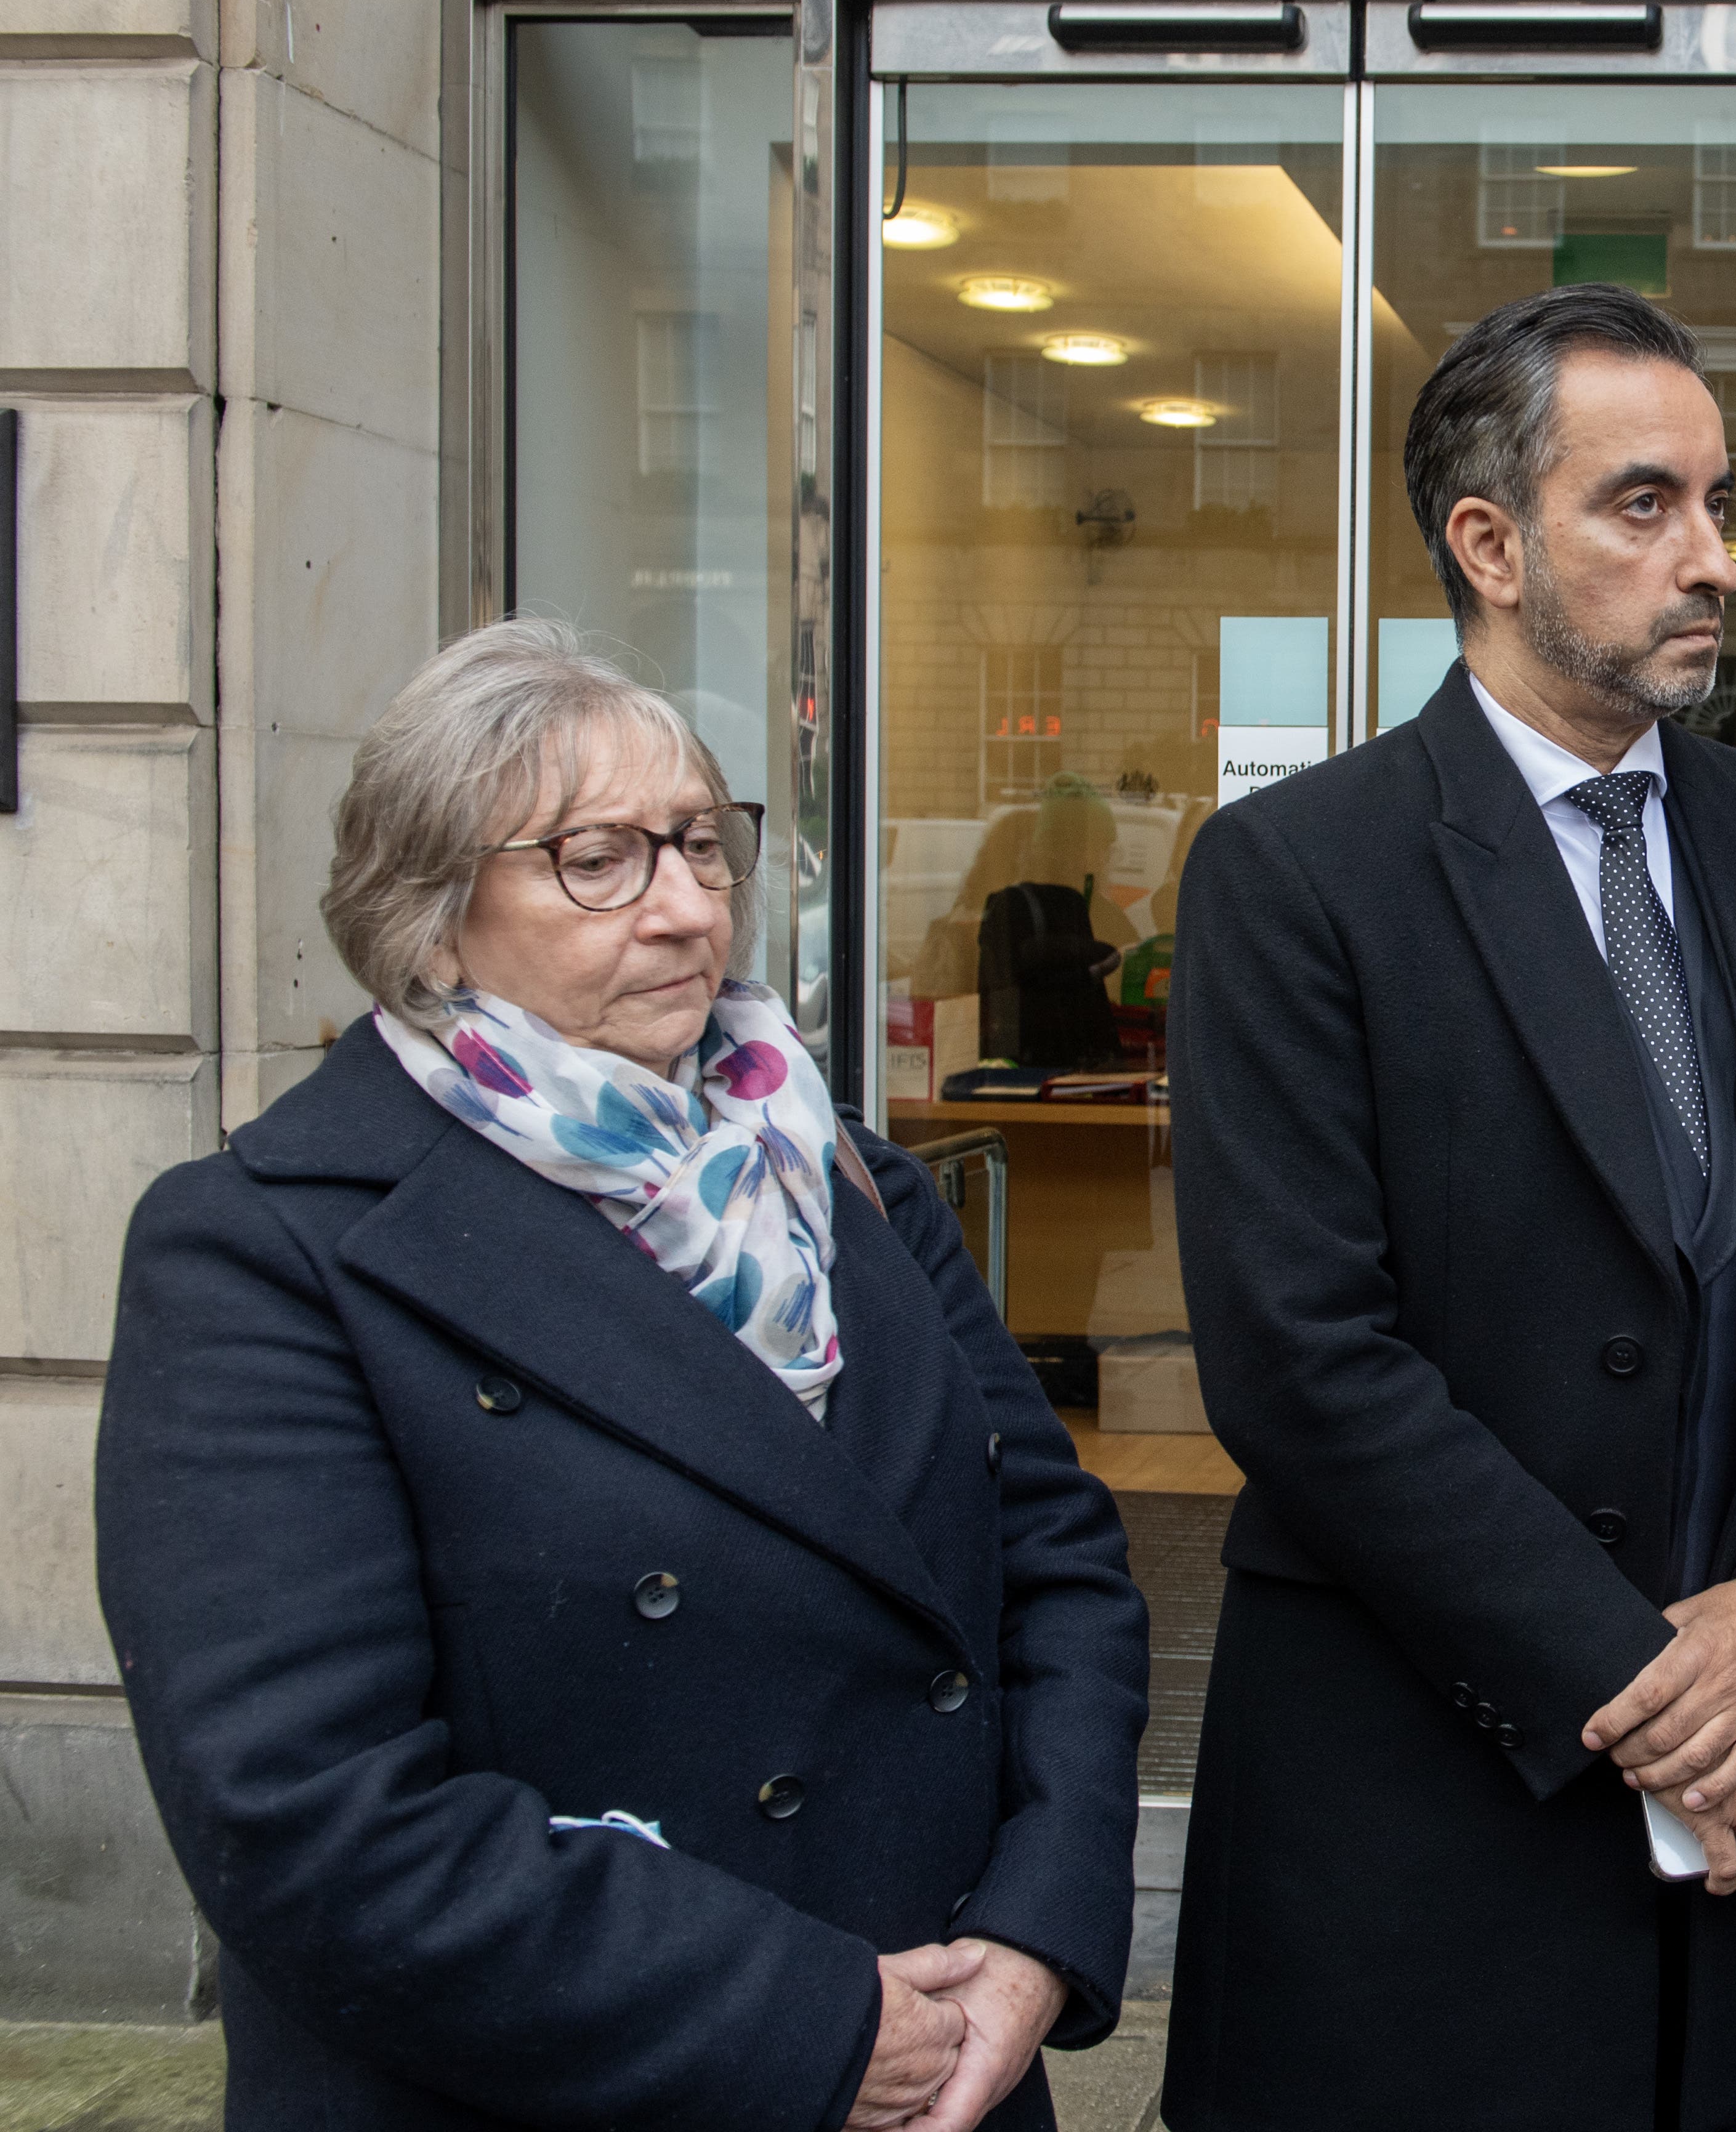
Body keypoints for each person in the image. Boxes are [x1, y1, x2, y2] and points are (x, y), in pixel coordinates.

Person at [95, 621, 1154, 2132]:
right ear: (431, 916)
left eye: (700, 845)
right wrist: (810, 2021)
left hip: (949, 2063)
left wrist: (1032, 1939)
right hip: (594, 2071)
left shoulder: (846, 1179)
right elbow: (308, 1812)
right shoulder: (268, 1251)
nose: (681, 911)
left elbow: (1059, 1566)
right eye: (597, 858)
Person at [1160, 284, 1736, 2132]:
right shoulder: (1301, 874)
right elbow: (1301, 1360)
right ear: (1488, 544)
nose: (1713, 558)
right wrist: (1639, 1683)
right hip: (1426, 1793)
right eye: (1643, 504)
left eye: (1717, 499)